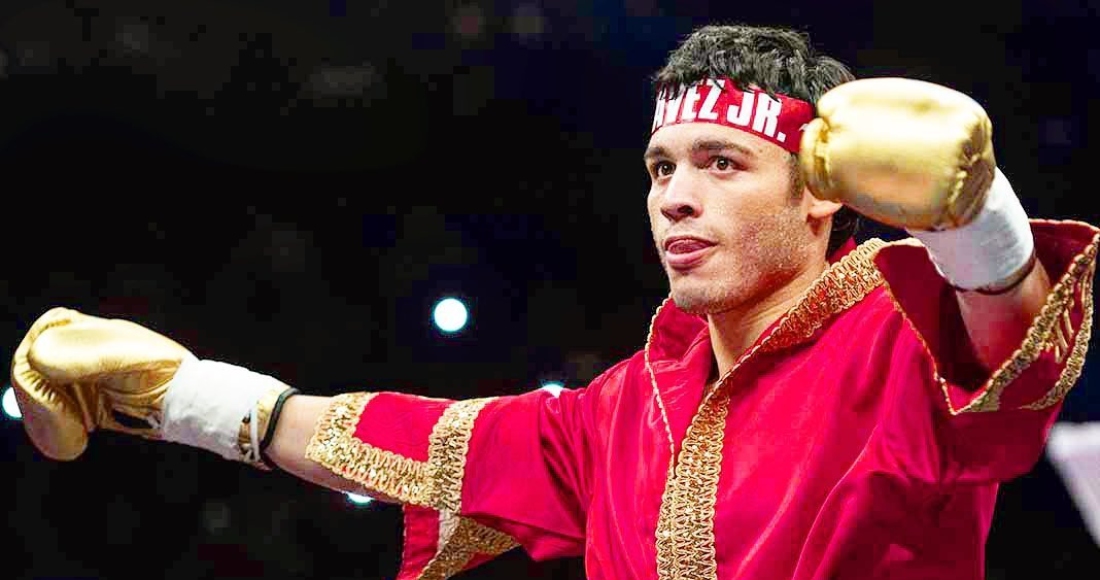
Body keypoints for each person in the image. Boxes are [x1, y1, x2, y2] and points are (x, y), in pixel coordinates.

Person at [10, 23, 1099, 580]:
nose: (675, 196)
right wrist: (172, 391)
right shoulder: (620, 411)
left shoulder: (901, 330)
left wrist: (976, 217)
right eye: (660, 167)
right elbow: (400, 444)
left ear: (822, 193)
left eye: (721, 163)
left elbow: (1019, 348)